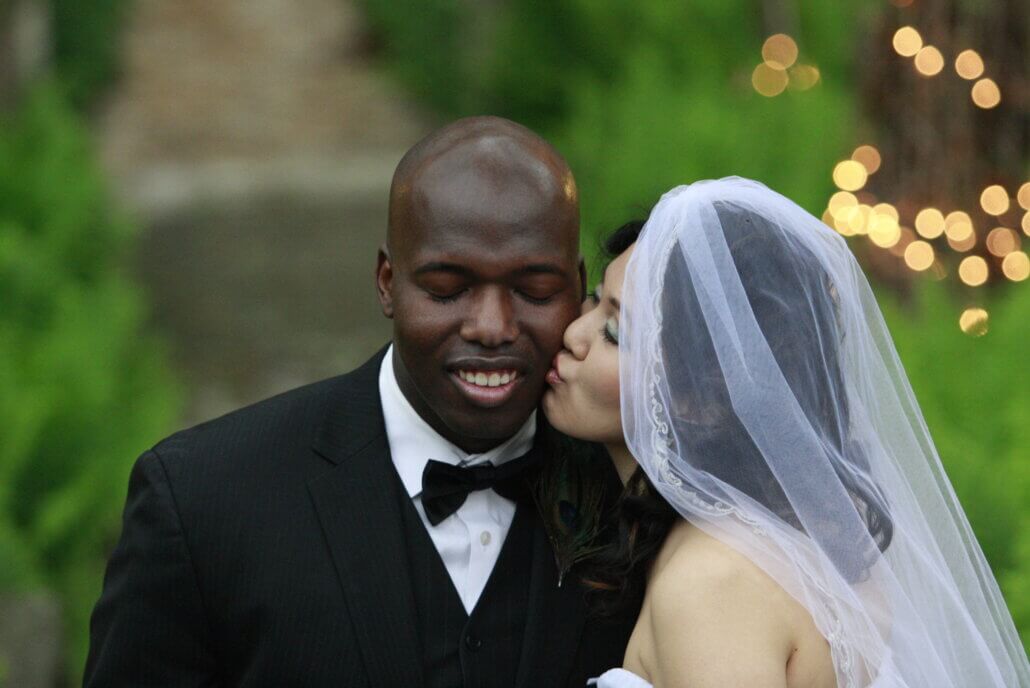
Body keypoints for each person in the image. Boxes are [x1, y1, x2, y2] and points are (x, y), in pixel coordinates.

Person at [84, 116, 638, 687]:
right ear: (386, 282)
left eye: (535, 291)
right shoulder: (200, 501)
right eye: (448, 289)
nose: (492, 327)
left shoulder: (641, 499)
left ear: (577, 288)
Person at [542, 178, 1030, 687]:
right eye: (594, 301)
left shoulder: (712, 584)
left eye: (615, 332)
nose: (573, 334)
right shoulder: (804, 556)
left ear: (704, 397)